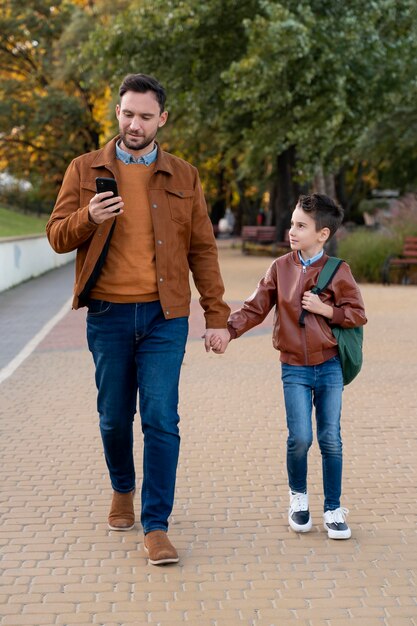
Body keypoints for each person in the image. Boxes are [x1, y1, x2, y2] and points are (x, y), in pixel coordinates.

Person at [46, 73, 230, 565]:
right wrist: (90, 216)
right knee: (112, 418)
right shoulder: (83, 169)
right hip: (106, 314)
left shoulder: (185, 175)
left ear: (162, 120)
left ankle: (156, 525)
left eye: (145, 116)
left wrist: (216, 315)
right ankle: (121, 488)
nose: (134, 123)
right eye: (127, 113)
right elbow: (57, 236)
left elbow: (203, 250)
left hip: (164, 316)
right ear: (118, 112)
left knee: (161, 419)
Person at [213, 194, 367, 539]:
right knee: (299, 438)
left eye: (301, 225)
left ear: (323, 234)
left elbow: (358, 313)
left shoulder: (339, 271)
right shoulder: (279, 268)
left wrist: (327, 310)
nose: (292, 230)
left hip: (329, 366)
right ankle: (298, 499)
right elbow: (255, 307)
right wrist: (229, 330)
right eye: (293, 223)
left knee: (330, 439)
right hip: (293, 367)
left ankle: (333, 509)